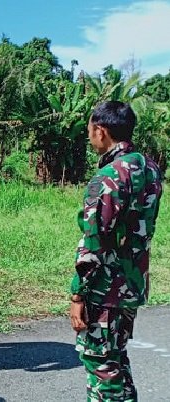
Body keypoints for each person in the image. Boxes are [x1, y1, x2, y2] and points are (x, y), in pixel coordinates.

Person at [70, 101, 163, 401]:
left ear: (101, 130)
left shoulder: (109, 177)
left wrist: (77, 294)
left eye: (90, 131)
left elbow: (94, 243)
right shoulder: (150, 169)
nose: (90, 137)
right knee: (117, 359)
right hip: (133, 281)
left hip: (105, 289)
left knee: (100, 364)